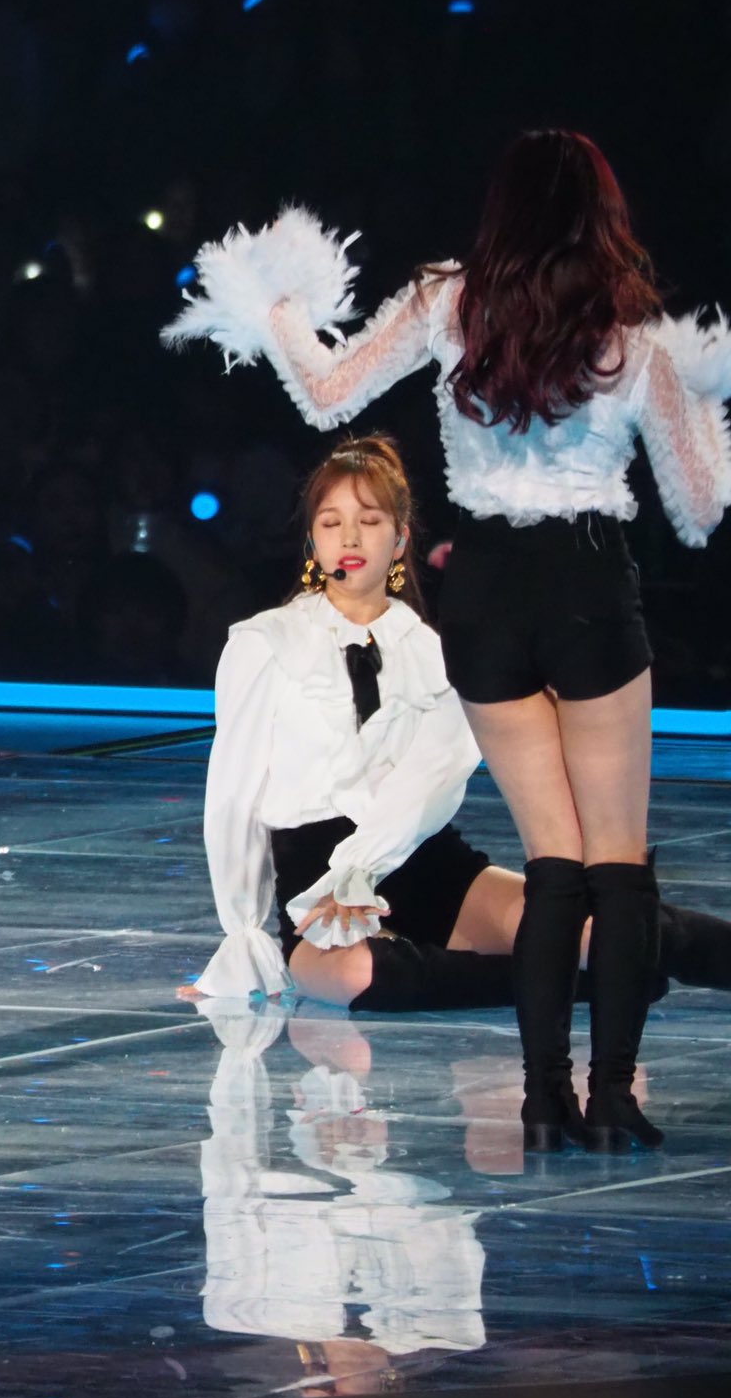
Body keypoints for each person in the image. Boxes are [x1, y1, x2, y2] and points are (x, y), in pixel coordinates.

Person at [163, 130, 731, 1152]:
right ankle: (609, 1096)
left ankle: (544, 1097)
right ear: (600, 220)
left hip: (482, 592)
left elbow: (326, 391)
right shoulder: (628, 338)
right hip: (584, 582)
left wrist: (272, 306)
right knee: (614, 867)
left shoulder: (445, 302)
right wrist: (702, 396)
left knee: (553, 864)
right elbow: (698, 504)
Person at [192, 435, 731, 1017]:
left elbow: (434, 779)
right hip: (316, 891)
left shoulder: (437, 655)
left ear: (400, 539)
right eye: (331, 523)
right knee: (357, 976)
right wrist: (244, 932)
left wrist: (360, 866)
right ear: (311, 540)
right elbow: (233, 798)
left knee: (599, 930)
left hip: (425, 868)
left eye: (369, 522)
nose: (349, 539)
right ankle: (578, 982)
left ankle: (605, 967)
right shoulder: (264, 644)